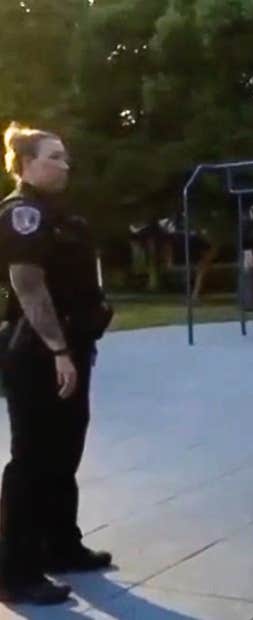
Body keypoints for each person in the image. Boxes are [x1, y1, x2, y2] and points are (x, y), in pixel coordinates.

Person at [0, 123, 113, 604]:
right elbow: (28, 283)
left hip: (72, 347)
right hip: (39, 351)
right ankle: (14, 570)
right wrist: (58, 351)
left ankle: (60, 544)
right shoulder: (21, 213)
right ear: (25, 164)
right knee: (33, 458)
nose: (65, 164)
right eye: (53, 157)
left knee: (64, 451)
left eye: (65, 156)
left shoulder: (60, 215)